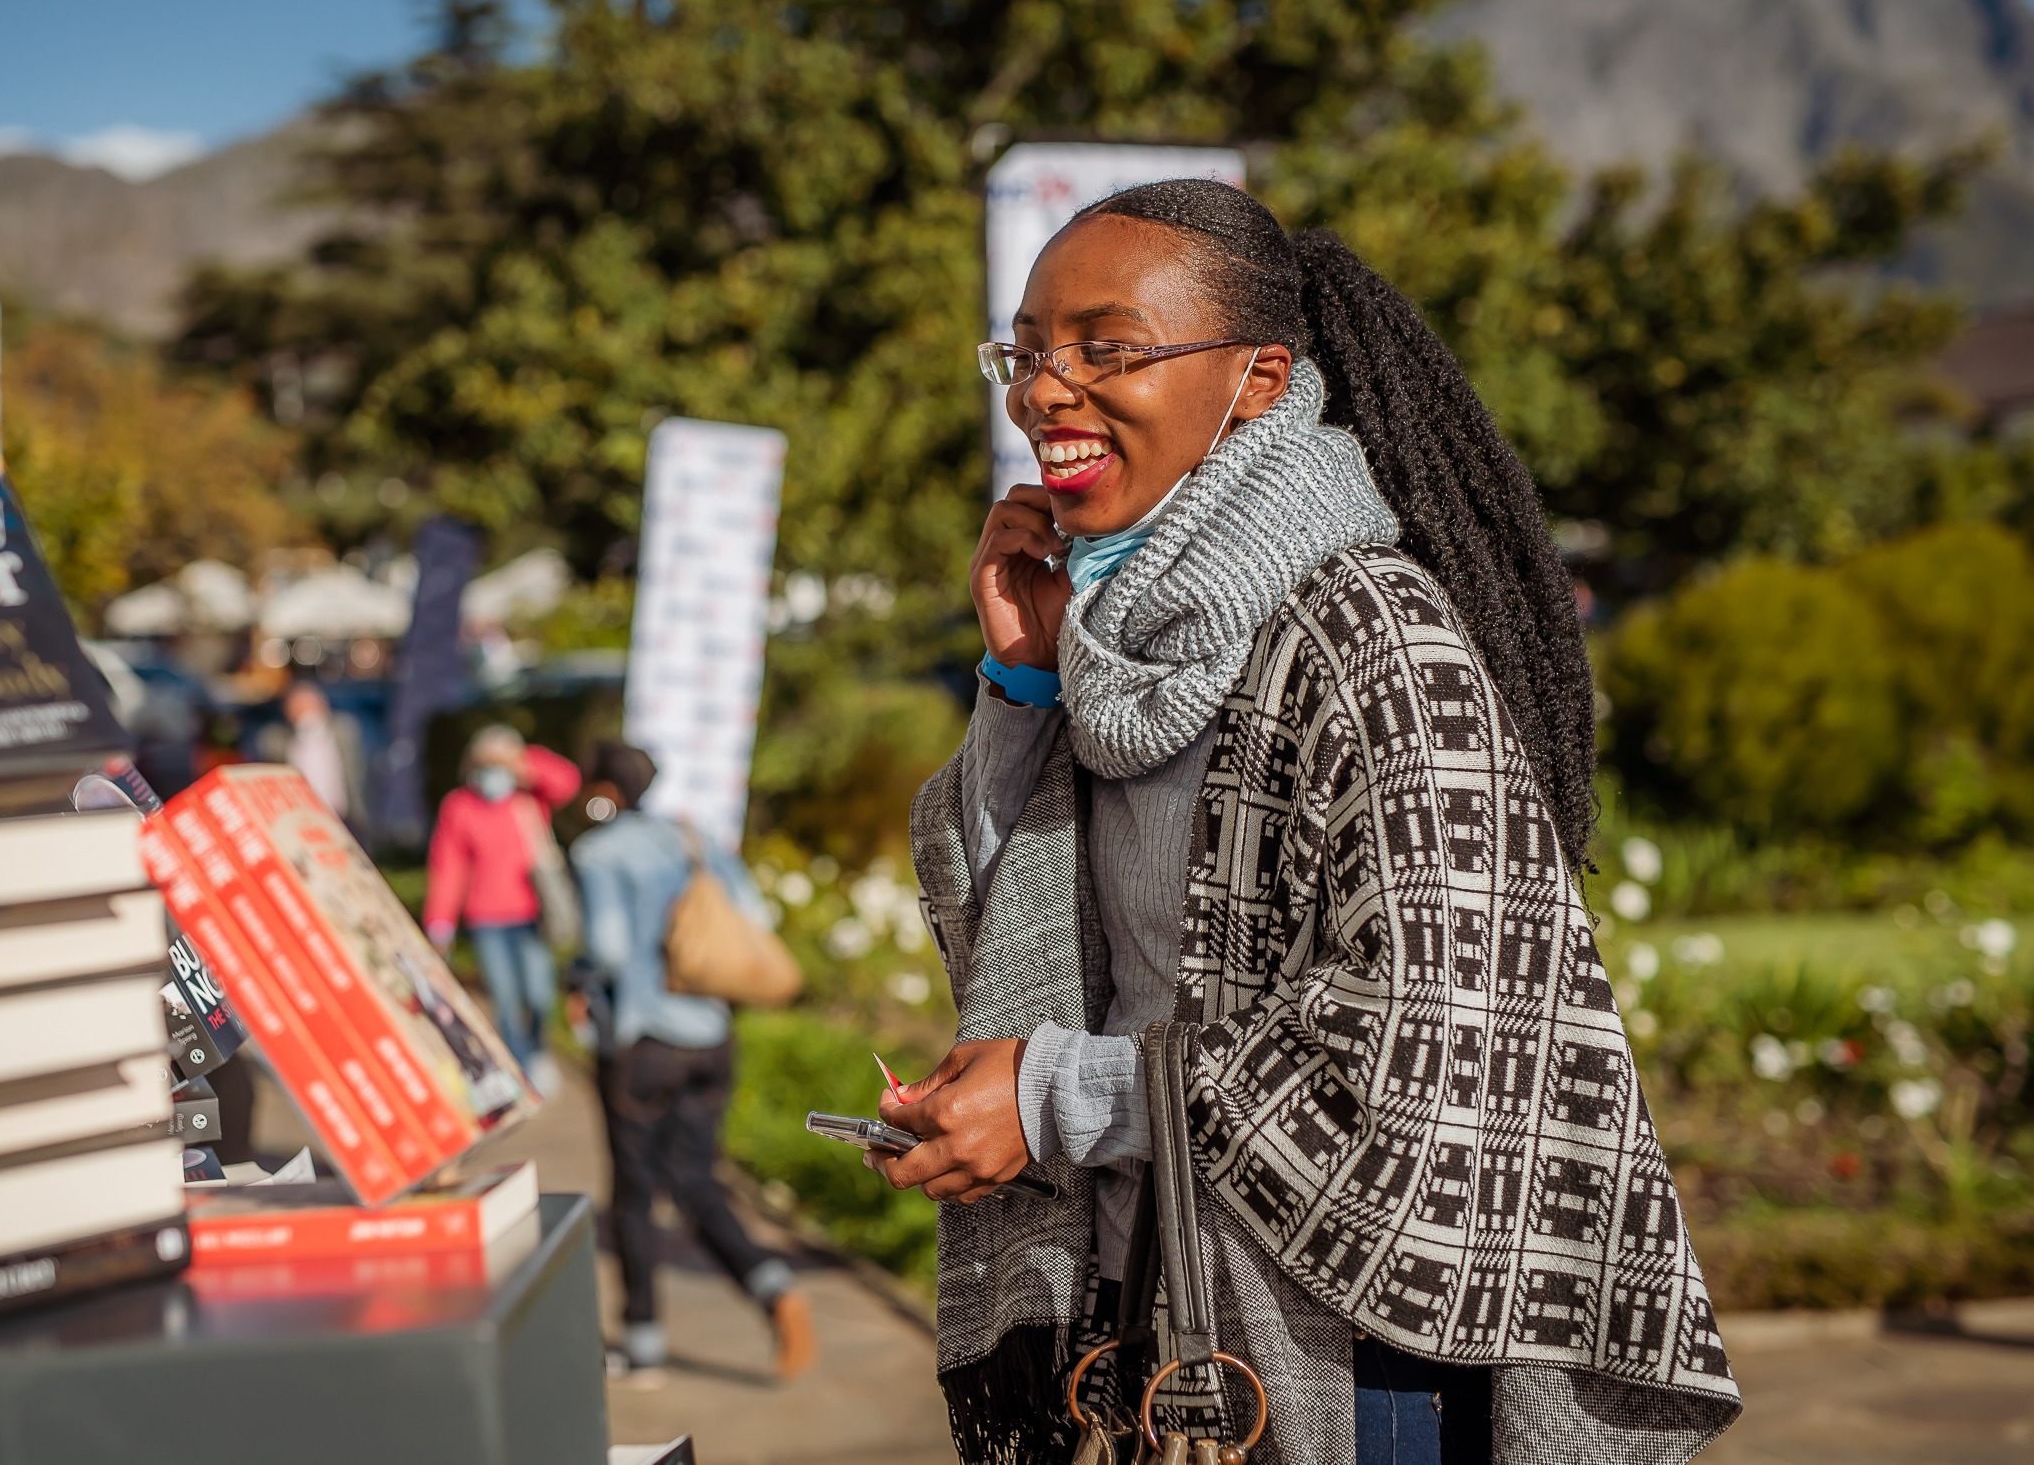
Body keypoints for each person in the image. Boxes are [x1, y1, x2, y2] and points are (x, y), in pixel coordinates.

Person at [875, 181, 1742, 1465]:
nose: (1046, 390)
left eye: (1107, 349)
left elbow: (1424, 1047)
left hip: (1351, 1363)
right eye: (1029, 351)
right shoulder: (1122, 641)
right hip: (1158, 1319)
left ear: (1261, 380)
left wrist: (1054, 1096)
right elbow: (1018, 941)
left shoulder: (1371, 640)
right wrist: (1019, 687)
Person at [568, 740, 816, 1386]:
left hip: (643, 1040)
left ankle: (644, 1344)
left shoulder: (597, 852)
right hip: (710, 1035)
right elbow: (754, 918)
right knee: (697, 1182)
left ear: (604, 790)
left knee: (633, 1196)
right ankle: (774, 1288)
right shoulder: (695, 838)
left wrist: (578, 976)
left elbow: (610, 948)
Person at [424, 724, 581, 1092]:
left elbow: (567, 781)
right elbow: (448, 867)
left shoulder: (528, 798)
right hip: (487, 919)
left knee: (540, 993)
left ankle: (538, 1050)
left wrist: (521, 760)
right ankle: (517, 1067)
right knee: (507, 999)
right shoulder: (460, 805)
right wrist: (440, 922)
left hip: (531, 914)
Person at [254, 681, 370, 837]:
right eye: (298, 706)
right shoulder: (277, 740)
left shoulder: (343, 731)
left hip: (343, 816)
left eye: (309, 704)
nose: (305, 711)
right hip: (302, 818)